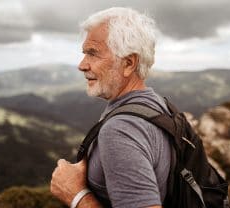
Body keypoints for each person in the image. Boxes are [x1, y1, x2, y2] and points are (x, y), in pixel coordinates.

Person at [50, 7, 173, 208]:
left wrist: (76, 195)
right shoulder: (157, 105)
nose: (82, 65)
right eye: (84, 53)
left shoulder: (121, 130)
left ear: (128, 63)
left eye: (93, 53)